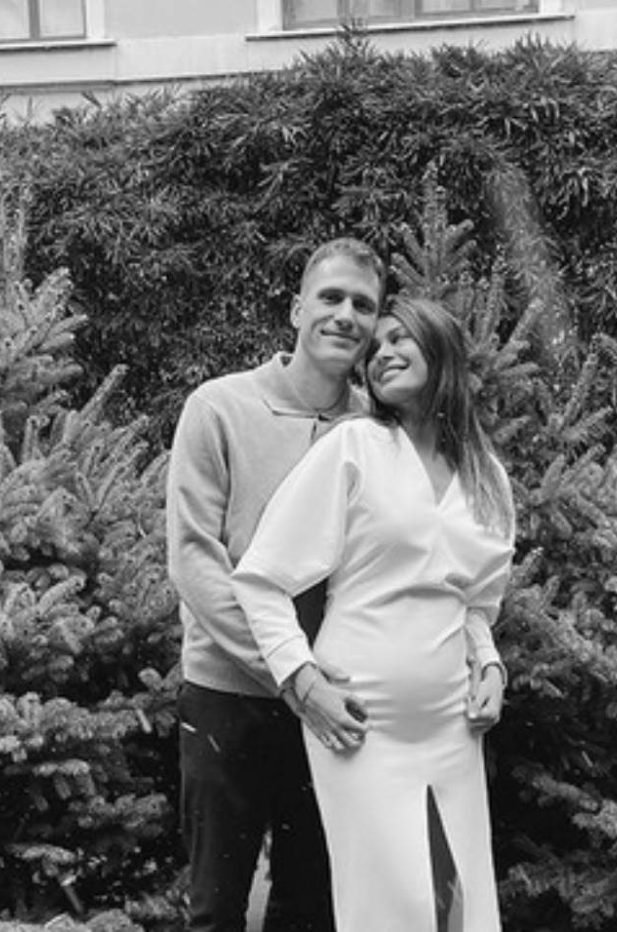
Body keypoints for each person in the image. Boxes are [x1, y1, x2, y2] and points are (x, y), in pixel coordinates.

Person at [233, 296, 516, 932]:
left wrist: (491, 667)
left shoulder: (487, 478)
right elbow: (260, 579)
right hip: (360, 725)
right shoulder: (356, 447)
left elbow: (476, 605)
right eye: (377, 345)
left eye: (400, 338)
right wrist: (302, 681)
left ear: (440, 349)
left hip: (453, 725)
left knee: (460, 904)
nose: (382, 352)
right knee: (392, 909)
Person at [166, 237, 386, 932]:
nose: (345, 315)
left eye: (363, 305)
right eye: (331, 297)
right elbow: (195, 560)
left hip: (336, 702)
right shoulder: (219, 407)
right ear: (296, 309)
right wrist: (295, 676)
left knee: (311, 909)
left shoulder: (377, 430)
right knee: (216, 910)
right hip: (227, 693)